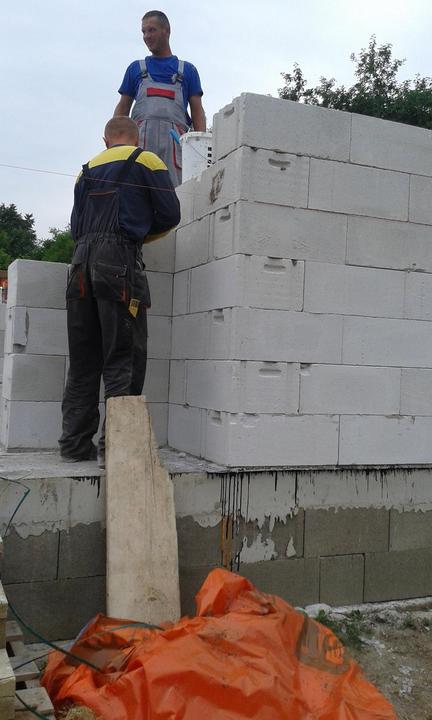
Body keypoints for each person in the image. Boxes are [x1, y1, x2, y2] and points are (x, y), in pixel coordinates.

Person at [59, 116, 180, 467]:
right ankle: (116, 451)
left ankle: (74, 446)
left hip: (80, 265)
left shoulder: (85, 171)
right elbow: (170, 214)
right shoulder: (147, 160)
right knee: (123, 357)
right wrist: (137, 234)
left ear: (105, 140)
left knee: (83, 361)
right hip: (119, 263)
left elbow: (76, 228)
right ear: (136, 138)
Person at [114, 10, 206, 186]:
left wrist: (200, 150)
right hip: (140, 144)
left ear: (167, 30)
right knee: (137, 192)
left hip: (175, 148)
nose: (146, 36)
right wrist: (115, 144)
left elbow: (197, 112)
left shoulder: (188, 71)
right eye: (143, 32)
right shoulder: (135, 69)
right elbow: (122, 109)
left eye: (151, 30)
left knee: (175, 195)